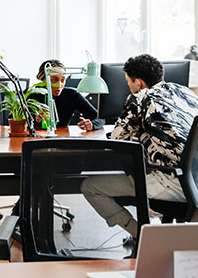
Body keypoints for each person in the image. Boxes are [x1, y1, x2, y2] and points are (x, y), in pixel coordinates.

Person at [81, 54, 198, 238]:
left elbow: (117, 139)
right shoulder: (186, 93)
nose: (128, 87)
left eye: (128, 82)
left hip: (172, 181)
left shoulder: (140, 97)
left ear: (139, 83)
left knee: (90, 186)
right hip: (194, 181)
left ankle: (145, 237)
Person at [29, 59, 104, 131]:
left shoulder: (72, 95)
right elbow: (19, 123)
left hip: (62, 138)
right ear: (42, 79)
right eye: (54, 80)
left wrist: (92, 125)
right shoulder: (30, 95)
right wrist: (35, 118)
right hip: (35, 139)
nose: (59, 85)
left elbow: (100, 118)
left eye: (62, 80)